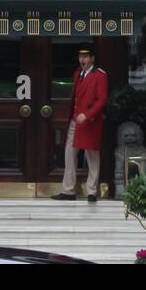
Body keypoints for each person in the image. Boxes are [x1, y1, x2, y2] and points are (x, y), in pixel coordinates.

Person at [52, 47, 107, 203]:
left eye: (86, 57)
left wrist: (88, 115)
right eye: (80, 56)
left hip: (90, 121)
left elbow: (101, 100)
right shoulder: (77, 74)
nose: (82, 60)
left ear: (92, 59)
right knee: (70, 153)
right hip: (76, 120)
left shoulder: (100, 75)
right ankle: (68, 190)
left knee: (92, 155)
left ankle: (92, 191)